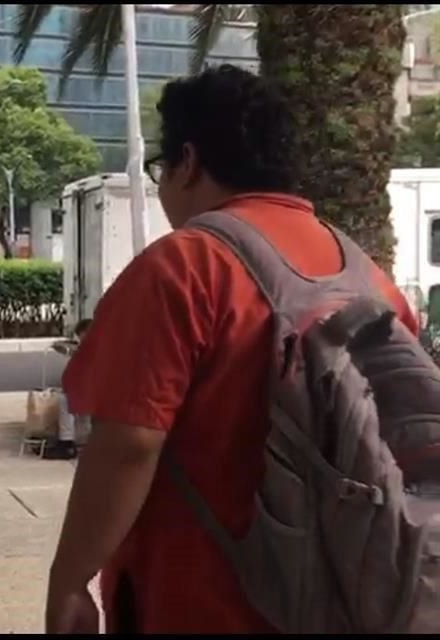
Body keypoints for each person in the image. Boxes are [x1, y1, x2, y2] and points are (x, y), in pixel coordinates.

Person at [45, 64, 419, 634]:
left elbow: (129, 445)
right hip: (347, 607)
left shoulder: (182, 267)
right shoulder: (373, 282)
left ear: (188, 161)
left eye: (160, 169)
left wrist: (70, 580)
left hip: (201, 606)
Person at [43, 319, 93, 461]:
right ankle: (72, 441)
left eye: (81, 334)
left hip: (84, 392)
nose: (80, 338)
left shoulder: (93, 348)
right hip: (78, 390)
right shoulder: (87, 347)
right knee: (68, 404)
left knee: (66, 403)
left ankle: (66, 444)